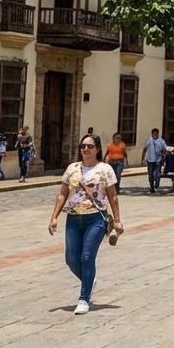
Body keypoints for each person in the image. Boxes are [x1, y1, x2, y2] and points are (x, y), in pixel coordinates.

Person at [47, 133, 122, 315]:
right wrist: (54, 217)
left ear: (97, 149)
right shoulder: (72, 168)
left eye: (89, 146)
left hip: (95, 218)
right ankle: (89, 279)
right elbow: (62, 193)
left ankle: (84, 298)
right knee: (71, 259)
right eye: (83, 146)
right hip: (73, 218)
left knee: (87, 257)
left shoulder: (105, 169)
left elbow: (112, 196)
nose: (85, 149)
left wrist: (117, 220)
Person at [141, 128, 167, 194]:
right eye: (154, 133)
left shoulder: (161, 141)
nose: (155, 135)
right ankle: (152, 187)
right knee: (150, 175)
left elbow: (165, 149)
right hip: (150, 160)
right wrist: (143, 158)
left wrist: (164, 156)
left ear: (158, 134)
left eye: (156, 133)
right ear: (152, 134)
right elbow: (145, 149)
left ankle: (157, 184)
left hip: (158, 160)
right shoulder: (149, 140)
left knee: (157, 174)